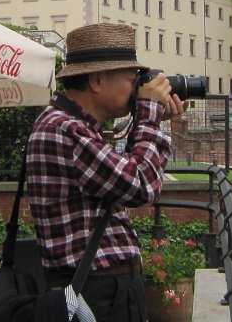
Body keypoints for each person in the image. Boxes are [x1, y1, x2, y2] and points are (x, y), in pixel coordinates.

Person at [26, 22, 186, 322]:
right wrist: (149, 115)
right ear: (98, 80)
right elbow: (142, 186)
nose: (136, 87)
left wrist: (153, 121)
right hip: (95, 294)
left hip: (103, 289)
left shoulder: (79, 127)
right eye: (131, 78)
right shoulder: (64, 129)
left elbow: (133, 173)